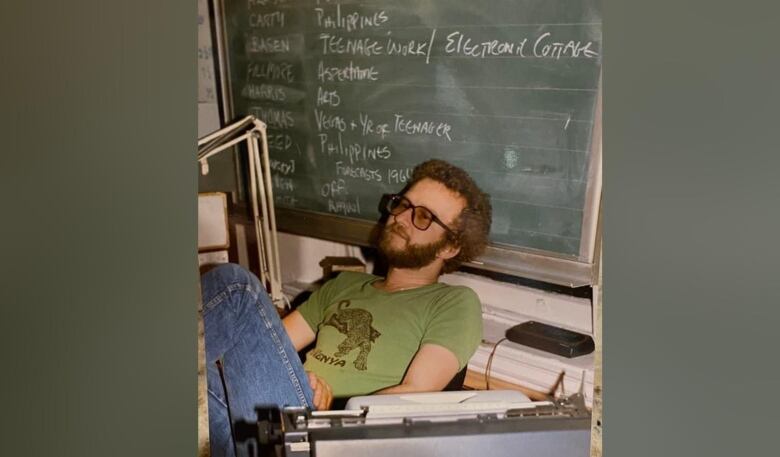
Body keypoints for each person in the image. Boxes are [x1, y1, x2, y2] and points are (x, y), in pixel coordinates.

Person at [202, 159, 492, 457]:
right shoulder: (345, 284)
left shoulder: (454, 303)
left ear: (449, 247)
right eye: (403, 204)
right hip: (270, 428)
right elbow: (274, 349)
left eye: (422, 216)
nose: (402, 218)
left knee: (237, 288)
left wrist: (333, 416)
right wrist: (303, 383)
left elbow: (415, 395)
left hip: (330, 440)